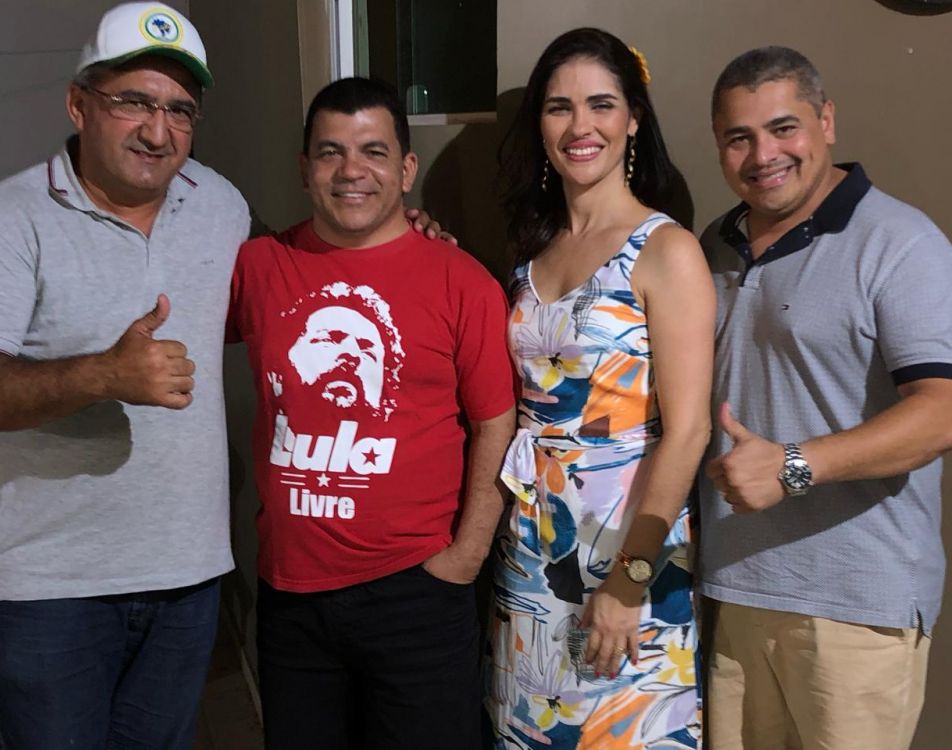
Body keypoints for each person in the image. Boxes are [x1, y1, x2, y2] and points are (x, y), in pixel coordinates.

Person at [0, 3, 444, 747]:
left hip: (186, 580)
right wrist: (101, 376)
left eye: (180, 110)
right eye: (134, 102)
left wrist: (405, 233)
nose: (158, 131)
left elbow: (301, 275)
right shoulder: (9, 216)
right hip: (53, 589)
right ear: (79, 104)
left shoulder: (216, 202)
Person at [226, 77, 517, 750]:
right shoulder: (259, 267)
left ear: (406, 169)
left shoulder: (461, 280)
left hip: (417, 591)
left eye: (373, 151)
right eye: (330, 152)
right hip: (290, 595)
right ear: (304, 169)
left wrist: (466, 556)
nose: (351, 170)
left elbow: (496, 422)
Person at [701, 46, 952, 750]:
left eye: (783, 128)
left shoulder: (900, 242)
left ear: (827, 121)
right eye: (739, 137)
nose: (763, 155)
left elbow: (942, 410)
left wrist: (794, 464)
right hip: (734, 592)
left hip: (855, 604)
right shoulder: (714, 245)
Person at [485, 28, 714, 749]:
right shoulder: (531, 248)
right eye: (559, 107)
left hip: (624, 550)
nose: (579, 126)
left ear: (634, 119)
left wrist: (630, 578)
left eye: (601, 104)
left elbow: (689, 431)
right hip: (530, 551)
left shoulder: (666, 249)